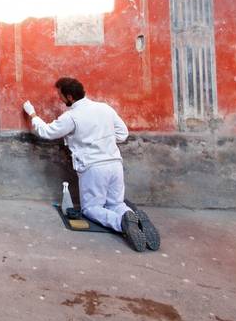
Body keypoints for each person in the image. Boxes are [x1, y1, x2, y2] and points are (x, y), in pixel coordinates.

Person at [22, 77, 160, 252]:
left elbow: (47, 132)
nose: (59, 98)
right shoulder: (105, 108)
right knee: (115, 203)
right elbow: (123, 134)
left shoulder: (71, 117)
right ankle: (135, 219)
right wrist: (104, 140)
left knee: (91, 208)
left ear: (70, 97)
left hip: (93, 167)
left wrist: (32, 114)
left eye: (60, 95)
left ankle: (122, 222)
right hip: (115, 163)